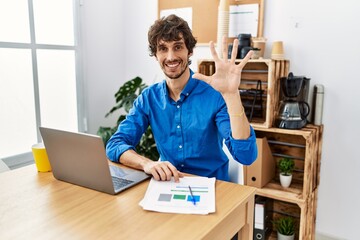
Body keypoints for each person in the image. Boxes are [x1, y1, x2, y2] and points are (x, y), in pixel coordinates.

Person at [106, 14, 257, 182]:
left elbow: (246, 156)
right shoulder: (148, 98)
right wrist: (146, 164)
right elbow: (115, 145)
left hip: (213, 187)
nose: (170, 57)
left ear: (189, 51)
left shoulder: (214, 95)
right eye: (163, 48)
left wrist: (232, 95)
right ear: (155, 55)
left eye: (177, 47)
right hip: (168, 185)